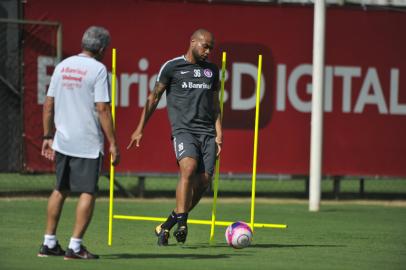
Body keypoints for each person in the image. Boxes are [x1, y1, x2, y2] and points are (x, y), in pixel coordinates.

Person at [127, 29, 222, 246]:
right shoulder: (172, 67)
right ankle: (182, 224)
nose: (208, 51)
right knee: (188, 168)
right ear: (192, 42)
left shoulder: (212, 71)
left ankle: (167, 224)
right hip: (184, 130)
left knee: (204, 182)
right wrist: (140, 128)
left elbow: (216, 106)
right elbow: (154, 97)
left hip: (207, 133)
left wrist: (219, 134)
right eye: (204, 46)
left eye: (211, 48)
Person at [38, 26, 120, 259]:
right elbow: (103, 108)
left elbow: (48, 103)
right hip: (87, 142)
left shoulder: (62, 66)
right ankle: (75, 246)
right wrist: (113, 143)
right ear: (103, 49)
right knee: (88, 191)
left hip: (62, 140)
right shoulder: (98, 69)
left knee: (60, 189)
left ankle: (49, 242)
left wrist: (46, 136)